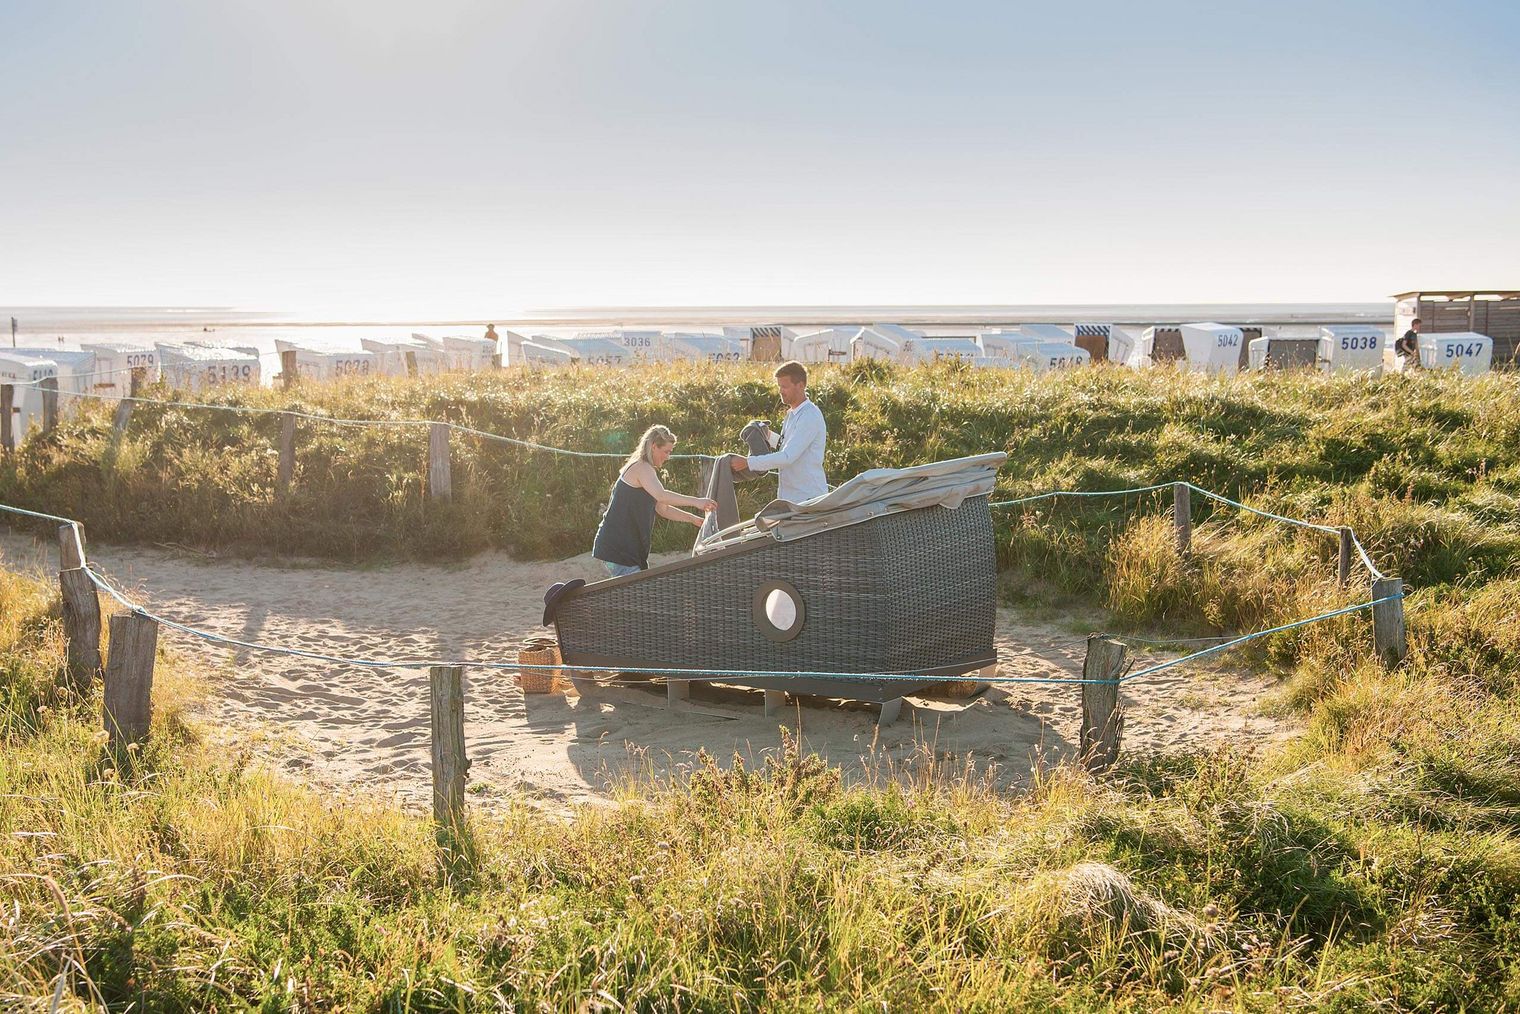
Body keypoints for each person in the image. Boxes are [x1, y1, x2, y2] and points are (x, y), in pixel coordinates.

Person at [592, 425, 716, 577]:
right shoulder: (642, 467)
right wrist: (697, 501)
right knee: (635, 594)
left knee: (634, 594)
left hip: (626, 550)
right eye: (666, 452)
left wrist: (693, 519)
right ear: (654, 447)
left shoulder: (647, 470)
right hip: (617, 548)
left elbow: (663, 508)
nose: (668, 456)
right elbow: (662, 495)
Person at [730, 360, 828, 502]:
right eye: (779, 386)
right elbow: (788, 446)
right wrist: (768, 435)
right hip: (791, 499)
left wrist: (748, 462)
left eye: (784, 386)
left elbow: (787, 457)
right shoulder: (792, 414)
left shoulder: (809, 416)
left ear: (800, 386)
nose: (780, 391)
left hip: (808, 500)